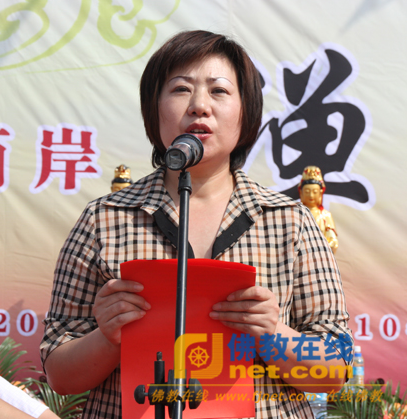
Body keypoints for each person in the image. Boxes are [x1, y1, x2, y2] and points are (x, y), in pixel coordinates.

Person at [40, 30, 353, 419]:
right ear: (153, 109)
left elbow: (335, 371)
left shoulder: (290, 221)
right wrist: (108, 336)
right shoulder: (105, 218)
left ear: (246, 112)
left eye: (219, 91)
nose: (199, 106)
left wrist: (274, 333)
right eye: (180, 89)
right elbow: (60, 376)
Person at [298, 166, 339, 254]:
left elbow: (333, 241)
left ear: (320, 193)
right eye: (307, 192)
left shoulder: (325, 215)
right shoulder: (296, 214)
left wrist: (320, 248)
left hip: (319, 254)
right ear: (301, 192)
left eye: (315, 192)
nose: (311, 195)